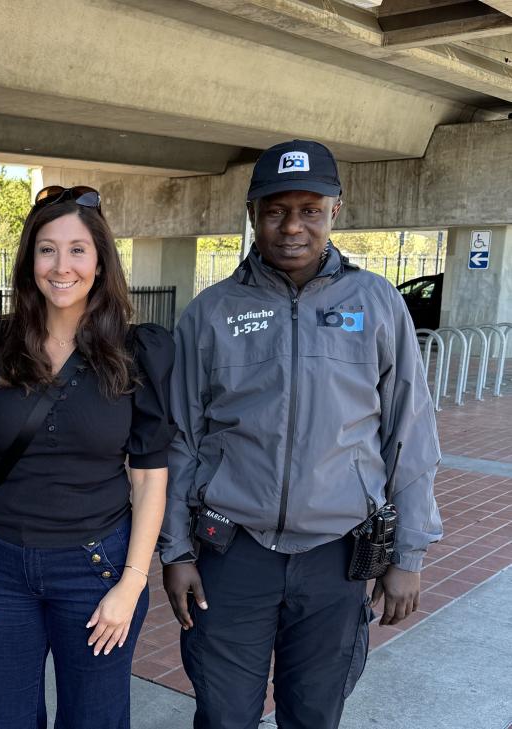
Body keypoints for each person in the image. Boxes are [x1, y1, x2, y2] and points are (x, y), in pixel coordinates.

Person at [159, 140, 443, 729]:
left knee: (315, 715)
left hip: (336, 558)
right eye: (275, 210)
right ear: (252, 214)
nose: (292, 226)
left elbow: (409, 433)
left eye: (309, 209)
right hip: (230, 556)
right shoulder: (211, 313)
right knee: (222, 714)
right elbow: (180, 438)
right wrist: (176, 551)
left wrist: (407, 554)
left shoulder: (378, 303)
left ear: (335, 211)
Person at [0, 185, 173, 729]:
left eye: (77, 249)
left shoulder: (139, 352)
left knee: (95, 719)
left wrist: (132, 584)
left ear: (100, 261)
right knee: (5, 718)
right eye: (46, 249)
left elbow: (149, 479)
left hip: (96, 569)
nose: (61, 265)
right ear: (29, 260)